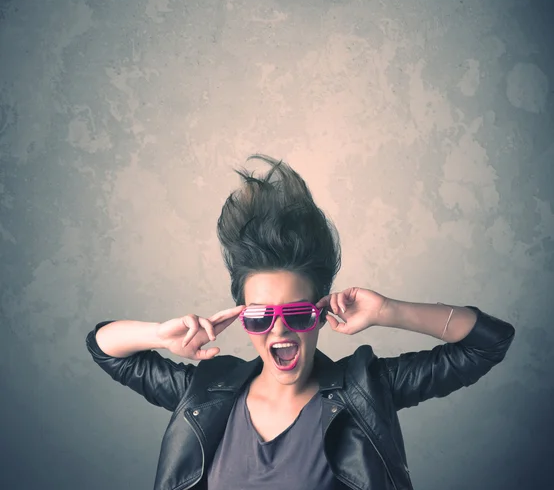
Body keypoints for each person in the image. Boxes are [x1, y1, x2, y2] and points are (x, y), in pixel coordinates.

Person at [86, 154, 516, 490]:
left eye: (296, 313)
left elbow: (487, 342)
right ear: (243, 318)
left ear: (319, 316)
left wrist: (388, 311)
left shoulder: (366, 390)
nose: (279, 329)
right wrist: (161, 336)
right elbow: (105, 348)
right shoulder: (204, 393)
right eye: (260, 316)